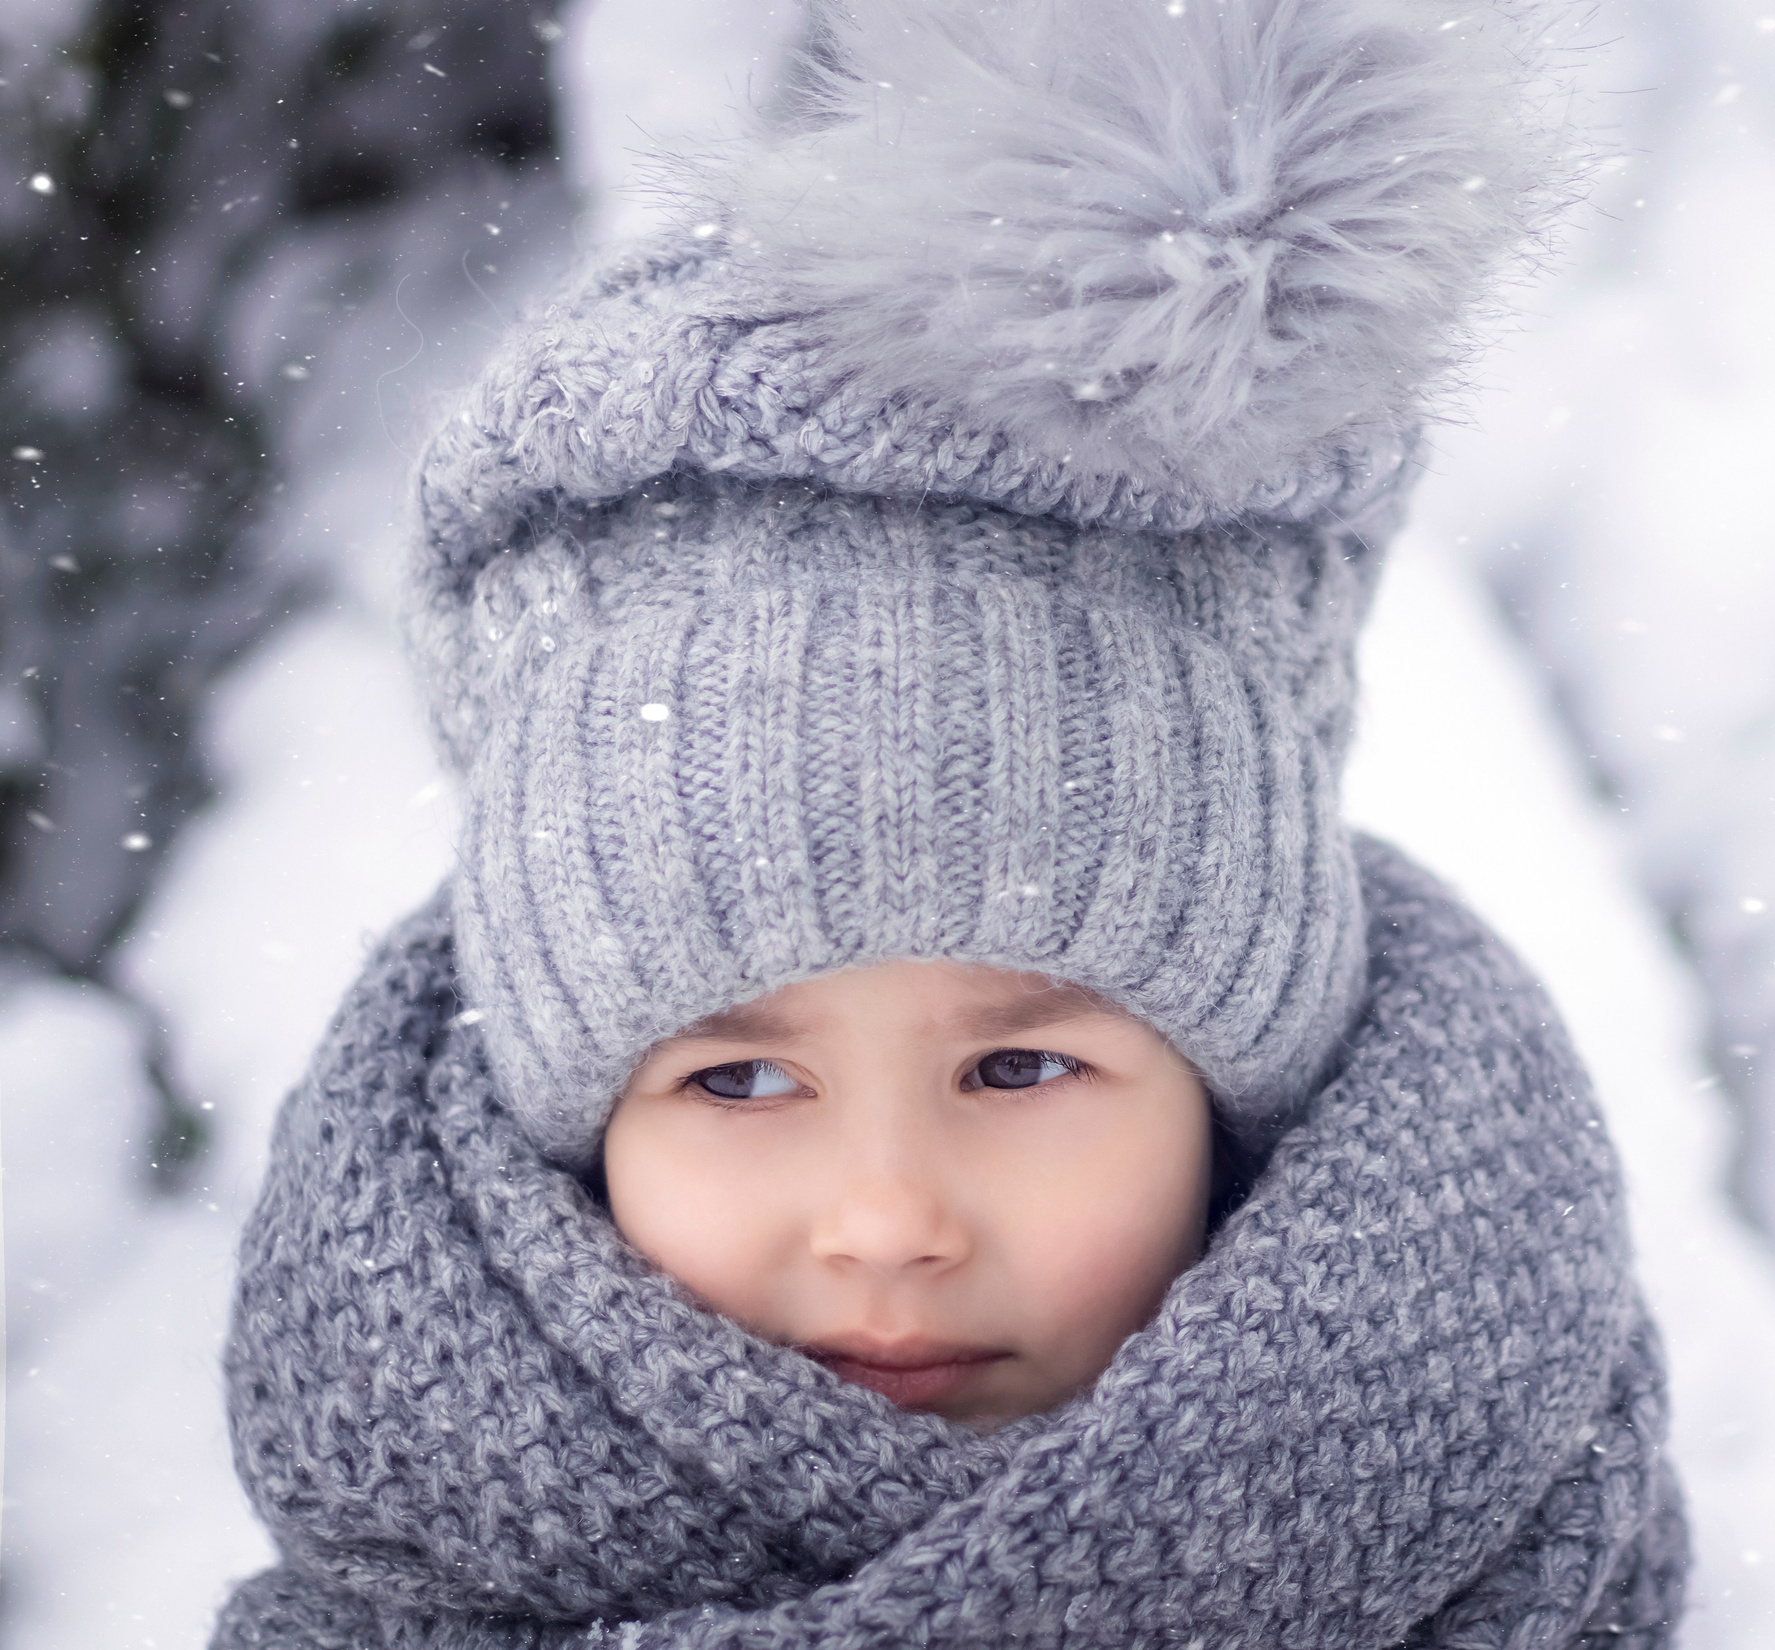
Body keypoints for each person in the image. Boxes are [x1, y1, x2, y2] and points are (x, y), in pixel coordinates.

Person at [212, 0, 1689, 1643]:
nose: (892, 1219)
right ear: (571, 1125)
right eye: (740, 1076)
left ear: (1238, 1094)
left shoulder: (1537, 1541)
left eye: (1022, 1066)